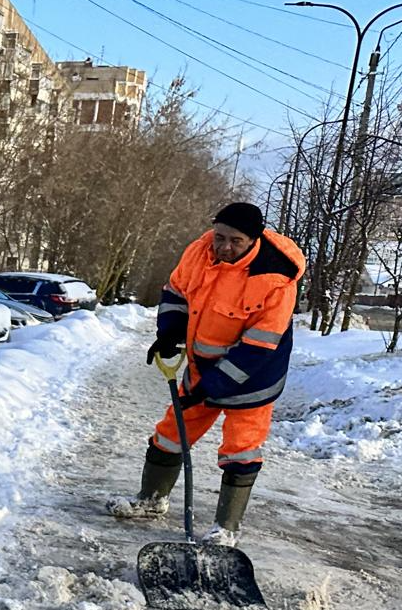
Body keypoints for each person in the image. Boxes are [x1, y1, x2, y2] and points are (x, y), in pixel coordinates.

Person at [109, 202, 306, 545]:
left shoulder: (276, 280)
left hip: (253, 378)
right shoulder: (199, 252)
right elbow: (176, 291)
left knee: (240, 449)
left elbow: (259, 347)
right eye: (220, 236)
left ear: (254, 240)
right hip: (202, 367)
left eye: (236, 241)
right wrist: (170, 331)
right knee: (171, 433)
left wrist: (215, 385)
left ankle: (225, 528)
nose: (224, 247)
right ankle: (152, 500)